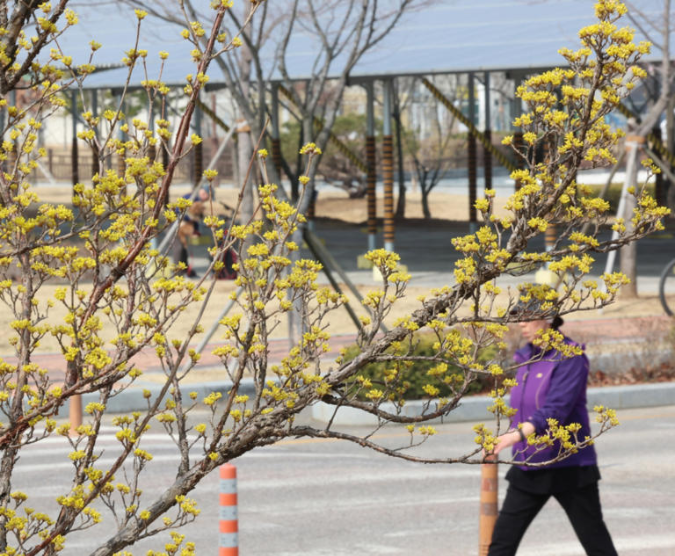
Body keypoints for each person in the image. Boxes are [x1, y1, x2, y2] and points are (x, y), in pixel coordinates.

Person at [487, 301, 617, 556]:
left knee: (597, 546)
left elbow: (556, 409)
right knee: (501, 546)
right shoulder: (526, 357)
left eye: (528, 317)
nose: (521, 324)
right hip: (529, 464)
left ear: (548, 319)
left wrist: (514, 436)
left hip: (570, 467)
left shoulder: (570, 357)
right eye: (518, 318)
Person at [173, 187, 211, 278]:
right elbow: (178, 210)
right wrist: (187, 218)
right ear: (203, 193)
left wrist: (196, 230)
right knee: (179, 248)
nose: (207, 198)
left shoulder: (198, 201)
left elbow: (196, 219)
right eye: (207, 196)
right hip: (176, 224)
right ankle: (178, 273)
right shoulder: (191, 197)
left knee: (184, 249)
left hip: (186, 226)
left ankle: (185, 271)